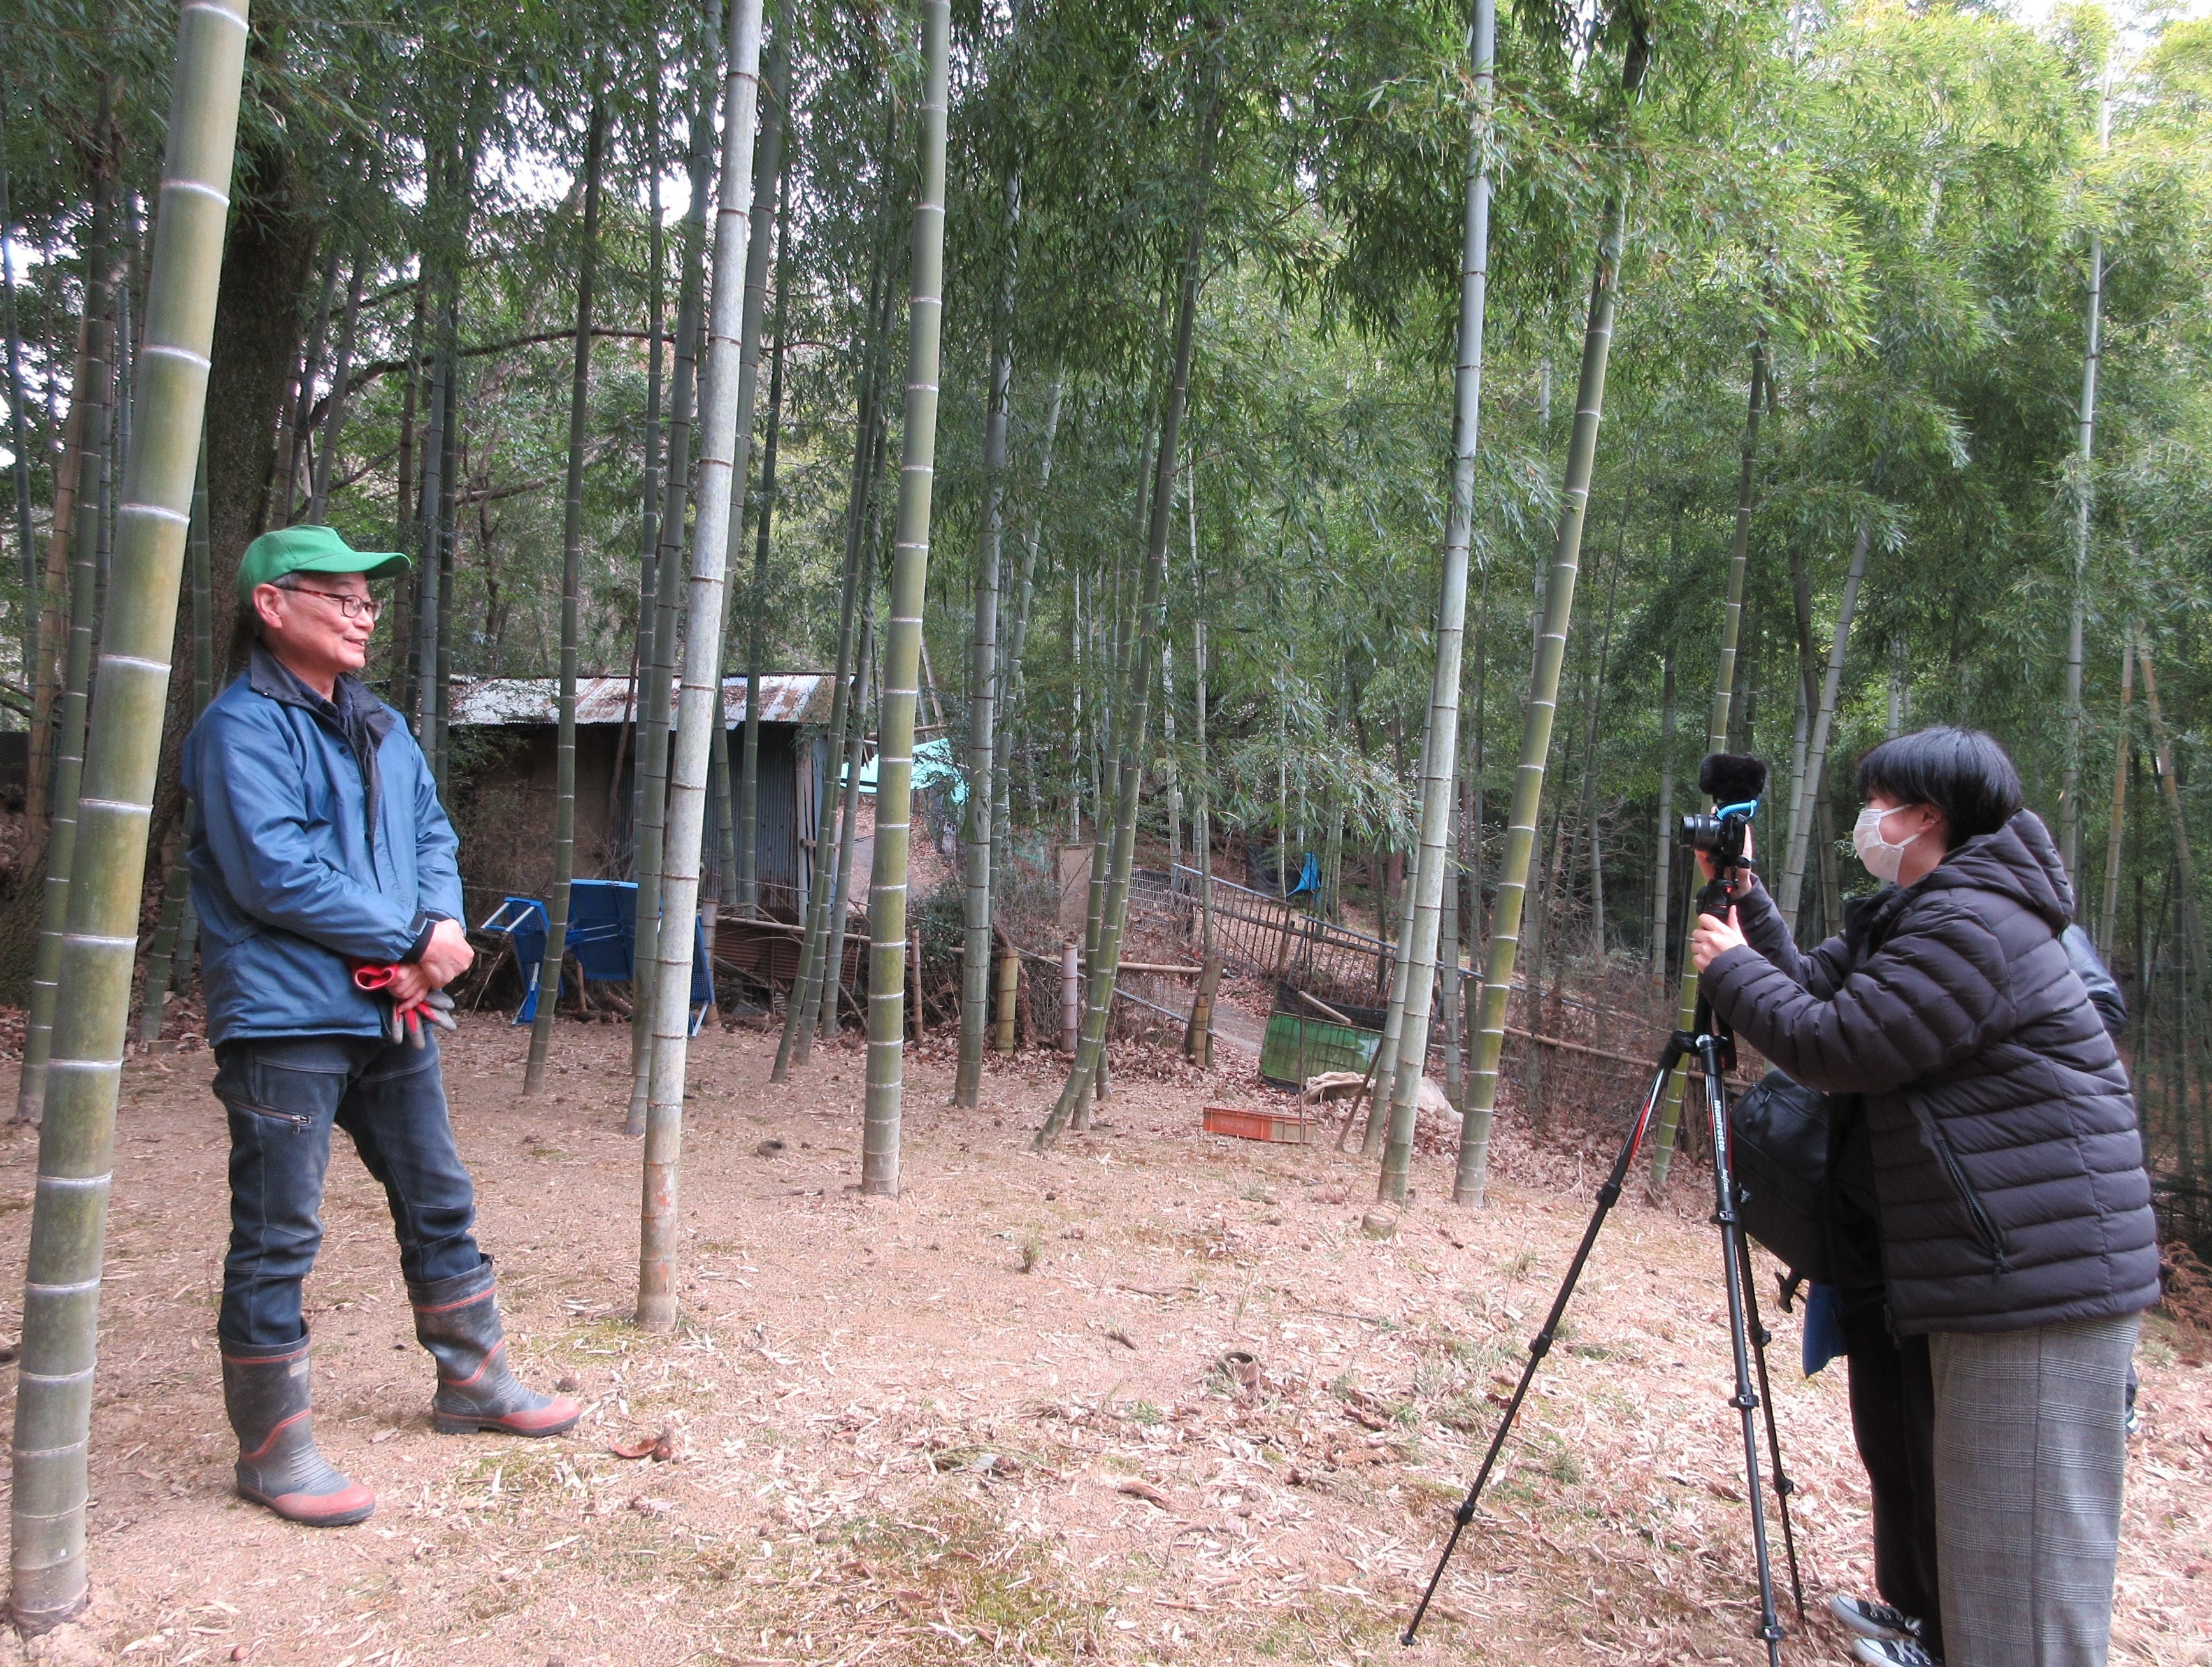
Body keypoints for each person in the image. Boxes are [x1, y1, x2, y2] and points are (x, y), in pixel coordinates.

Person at [1690, 726, 2157, 1667]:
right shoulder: (1928, 912)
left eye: (1879, 803)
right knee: (1987, 1564)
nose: (1869, 820)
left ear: (1929, 816)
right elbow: (1818, 988)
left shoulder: (1973, 924)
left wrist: (1727, 970)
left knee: (2023, 1595)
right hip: (1989, 1269)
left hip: (2036, 1282)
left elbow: (1837, 1046)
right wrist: (1746, 901)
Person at [184, 525, 580, 1528]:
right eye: (340, 597)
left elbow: (433, 833)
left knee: (438, 1194)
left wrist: (440, 931)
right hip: (284, 1018)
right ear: (272, 606)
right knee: (280, 1234)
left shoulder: (382, 727)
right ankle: (273, 1450)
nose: (363, 615)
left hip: (388, 1003)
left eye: (369, 602)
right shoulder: (239, 731)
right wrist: (413, 932)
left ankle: (473, 1380)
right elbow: (272, 873)